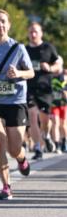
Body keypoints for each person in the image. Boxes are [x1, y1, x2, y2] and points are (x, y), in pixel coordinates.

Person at [0, 9, 33, 200]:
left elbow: (31, 73)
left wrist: (18, 73)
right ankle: (6, 186)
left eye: (3, 21)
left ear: (8, 25)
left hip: (16, 101)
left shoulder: (18, 48)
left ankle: (21, 158)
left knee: (14, 148)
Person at [25, 22, 62, 159]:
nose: (33, 34)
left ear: (41, 33)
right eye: (31, 32)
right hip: (29, 88)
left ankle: (46, 135)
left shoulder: (48, 47)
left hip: (45, 89)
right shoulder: (24, 50)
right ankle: (38, 148)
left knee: (45, 120)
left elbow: (58, 64)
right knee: (32, 116)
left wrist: (50, 68)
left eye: (36, 31)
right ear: (28, 34)